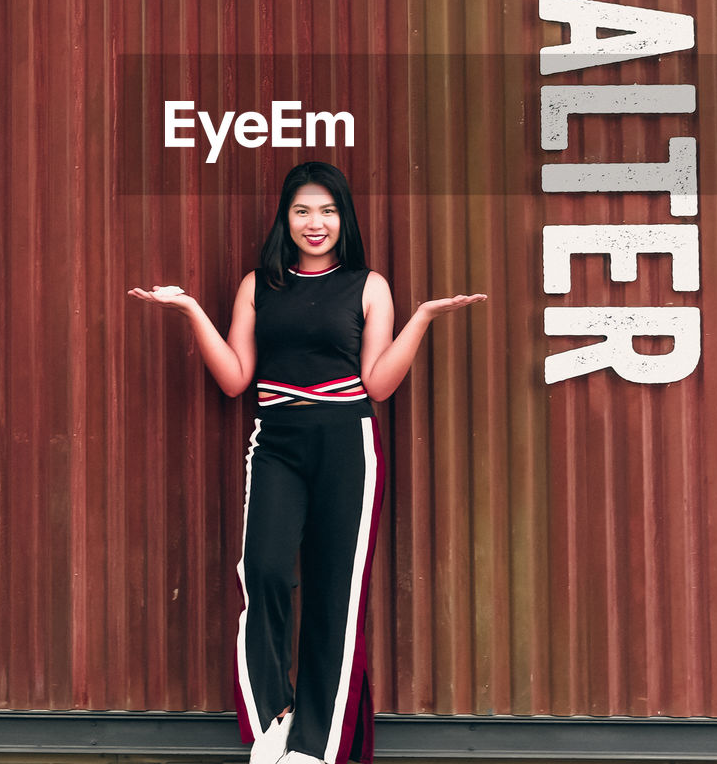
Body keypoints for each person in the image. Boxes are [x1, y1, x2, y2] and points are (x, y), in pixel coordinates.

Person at [129, 161, 486, 764]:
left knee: (336, 597)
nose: (314, 223)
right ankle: (275, 717)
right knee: (264, 570)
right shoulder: (258, 285)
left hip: (349, 443)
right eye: (302, 210)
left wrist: (421, 318)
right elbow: (236, 379)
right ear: (285, 218)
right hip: (279, 440)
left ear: (343, 217)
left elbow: (378, 384)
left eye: (327, 210)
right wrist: (191, 310)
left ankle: (314, 750)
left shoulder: (368, 286)